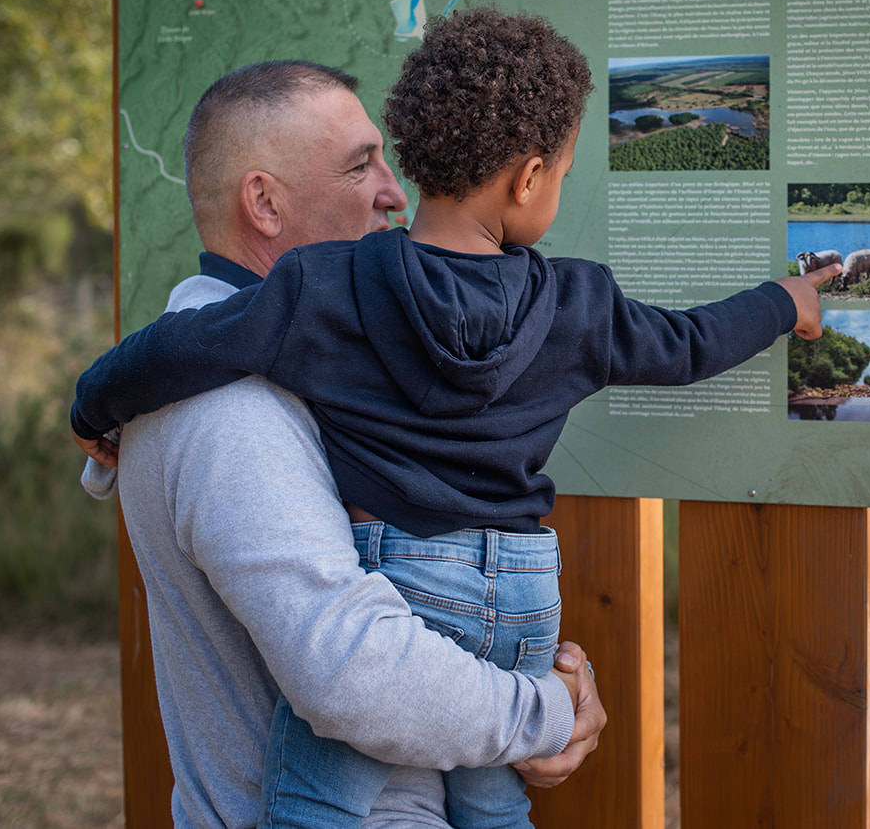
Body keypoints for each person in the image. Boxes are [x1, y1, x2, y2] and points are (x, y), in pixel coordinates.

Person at [74, 9, 839, 829]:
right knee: (495, 804)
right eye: (359, 166)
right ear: (529, 177)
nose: (389, 191)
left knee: (311, 801)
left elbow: (178, 348)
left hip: (413, 579)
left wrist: (94, 406)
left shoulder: (325, 292)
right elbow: (688, 342)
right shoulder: (572, 302)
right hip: (524, 596)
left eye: (388, 158)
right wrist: (782, 302)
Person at [78, 59, 605, 829]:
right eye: (362, 166)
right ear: (263, 202)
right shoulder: (233, 412)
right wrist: (547, 710)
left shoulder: (255, 366)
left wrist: (522, 675)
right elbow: (355, 672)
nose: (398, 193)